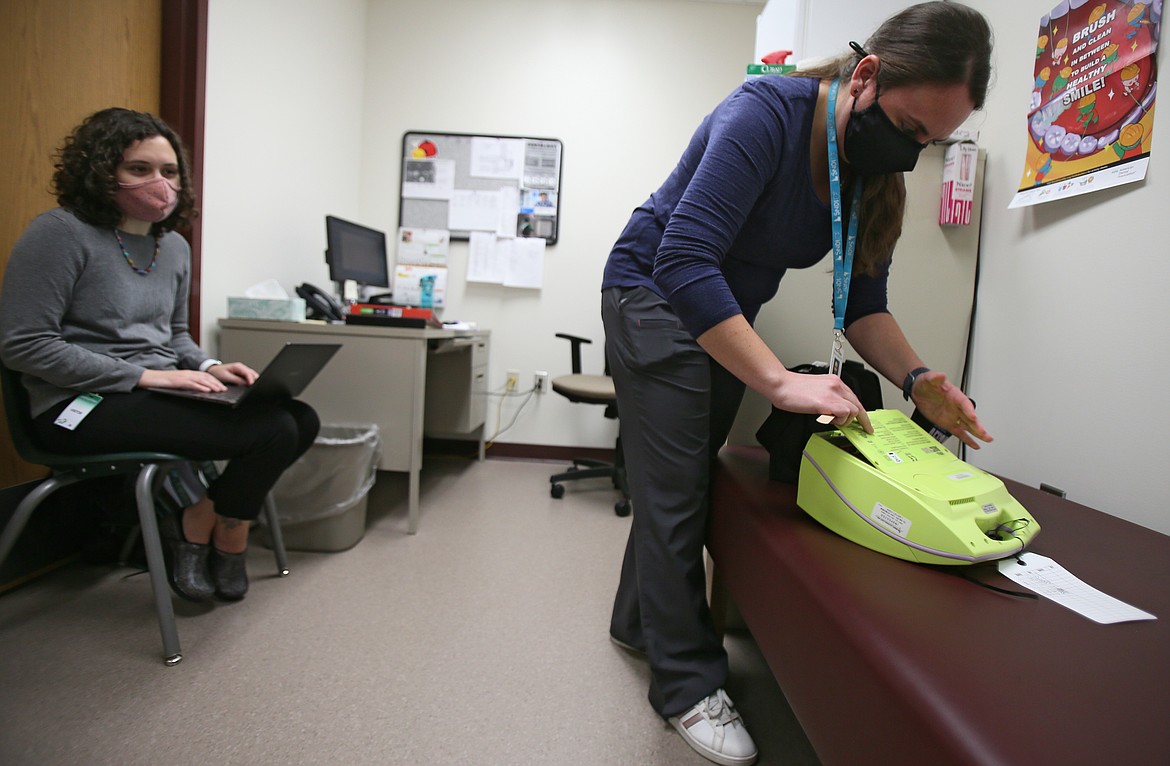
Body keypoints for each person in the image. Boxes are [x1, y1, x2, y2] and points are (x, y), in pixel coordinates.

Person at [599, 3, 994, 764]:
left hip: (721, 314)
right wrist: (779, 382)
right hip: (651, 290)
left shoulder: (870, 171)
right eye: (912, 130)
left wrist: (919, 379)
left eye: (932, 142)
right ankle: (683, 682)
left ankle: (637, 623)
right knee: (676, 483)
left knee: (681, 475)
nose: (913, 153)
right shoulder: (766, 115)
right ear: (868, 76)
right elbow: (683, 259)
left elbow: (862, 303)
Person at [0, 108, 320, 603]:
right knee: (271, 430)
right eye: (139, 169)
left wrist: (209, 366)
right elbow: (25, 345)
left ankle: (208, 517)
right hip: (73, 406)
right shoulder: (59, 234)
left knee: (300, 417)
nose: (161, 184)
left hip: (148, 392)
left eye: (169, 172)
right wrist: (149, 377)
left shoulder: (172, 246)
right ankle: (218, 532)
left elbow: (174, 335)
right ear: (100, 171)